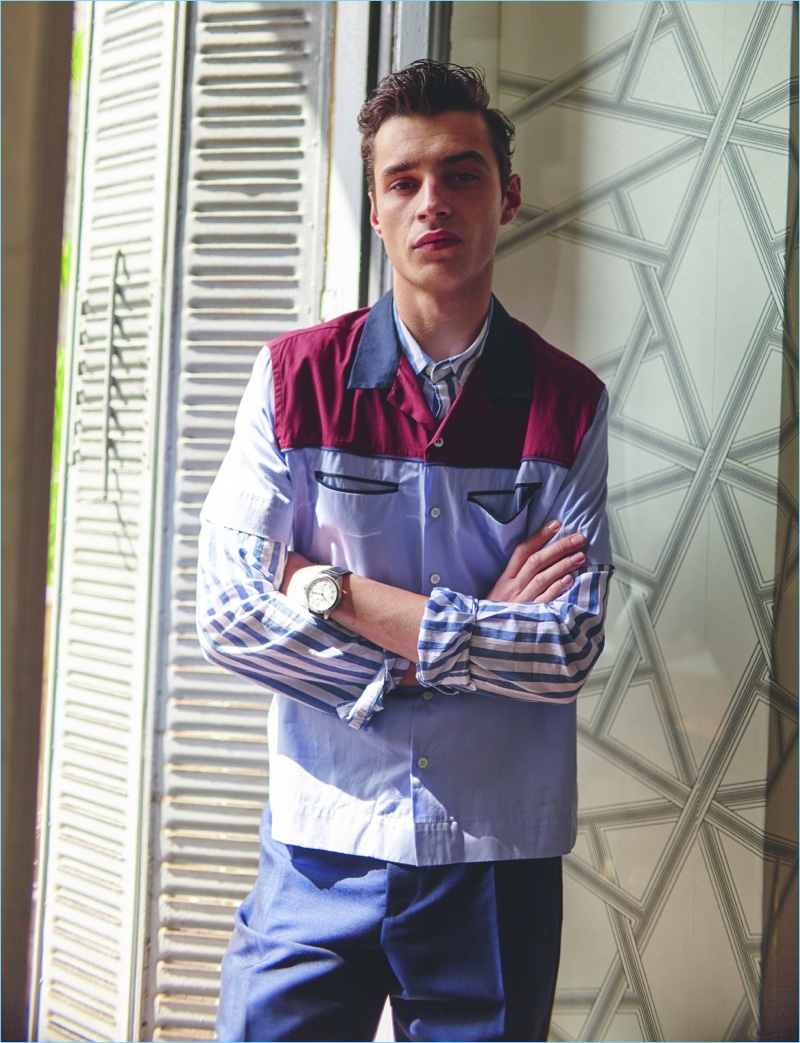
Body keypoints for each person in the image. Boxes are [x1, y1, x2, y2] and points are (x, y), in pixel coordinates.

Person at [197, 59, 613, 1043]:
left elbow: (563, 648)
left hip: (494, 855)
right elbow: (226, 610)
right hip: (318, 844)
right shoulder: (294, 377)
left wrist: (328, 587)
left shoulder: (568, 402)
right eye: (404, 180)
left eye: (461, 173)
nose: (435, 202)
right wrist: (463, 644)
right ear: (377, 210)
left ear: (505, 196)